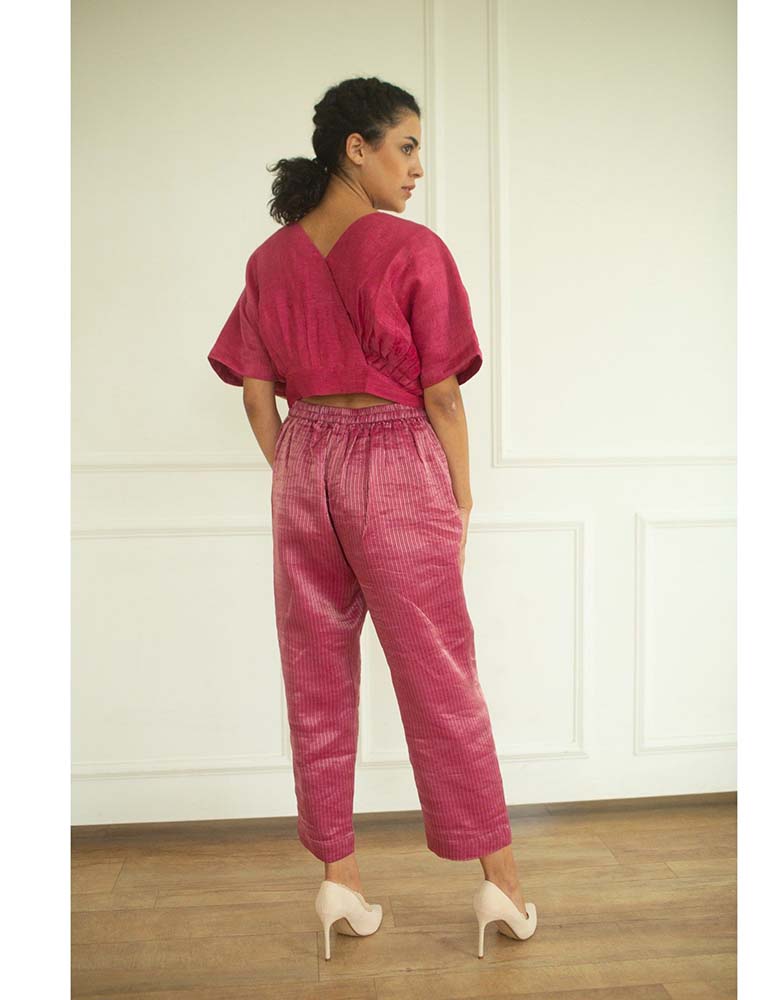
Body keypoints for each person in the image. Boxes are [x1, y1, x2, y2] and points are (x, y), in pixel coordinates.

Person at [207, 76, 537, 959]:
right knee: (440, 672)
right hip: (395, 462)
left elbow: (255, 395)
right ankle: (501, 887)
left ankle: (339, 881)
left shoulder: (270, 259)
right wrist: (460, 495)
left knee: (314, 671)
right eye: (407, 146)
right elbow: (443, 394)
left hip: (305, 458)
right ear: (357, 148)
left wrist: (299, 469)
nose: (418, 167)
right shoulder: (412, 248)